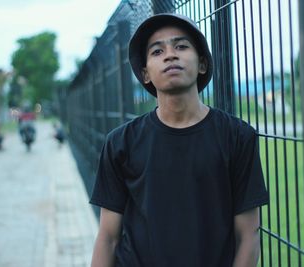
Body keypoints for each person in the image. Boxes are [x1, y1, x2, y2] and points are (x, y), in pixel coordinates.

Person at [89, 13, 269, 267]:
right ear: (145, 74)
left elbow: (248, 235)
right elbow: (108, 238)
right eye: (157, 51)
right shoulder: (121, 143)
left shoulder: (237, 136)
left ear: (203, 64)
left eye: (181, 46)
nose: (170, 55)